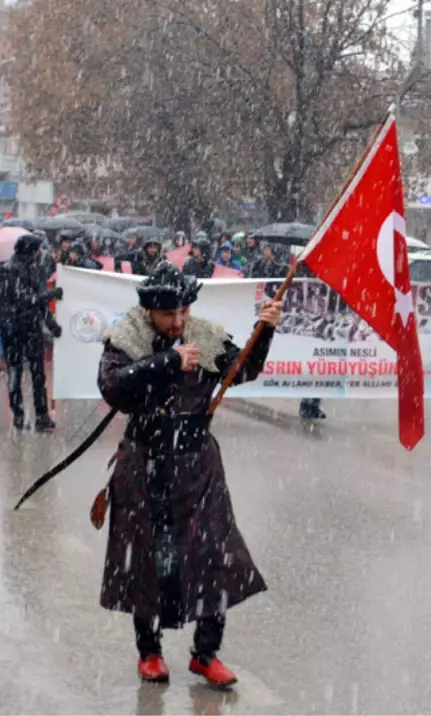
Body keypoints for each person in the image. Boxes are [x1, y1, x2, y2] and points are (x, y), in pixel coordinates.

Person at [96, 262, 282, 687]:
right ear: (149, 312)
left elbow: (242, 371)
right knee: (147, 560)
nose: (177, 321)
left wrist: (264, 330)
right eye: (168, 314)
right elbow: (114, 388)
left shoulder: (206, 335)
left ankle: (205, 654)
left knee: (213, 557)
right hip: (145, 466)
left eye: (182, 312)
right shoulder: (126, 339)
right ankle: (150, 652)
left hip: (198, 467)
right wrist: (166, 361)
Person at [2, 233, 63, 430]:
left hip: (31, 327)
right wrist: (50, 295)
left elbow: (38, 300)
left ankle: (41, 415)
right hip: (13, 328)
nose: (40, 253)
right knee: (15, 371)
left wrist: (51, 324)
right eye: (37, 250)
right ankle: (18, 414)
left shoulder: (34, 268)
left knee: (38, 373)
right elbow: (26, 299)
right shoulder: (10, 269)